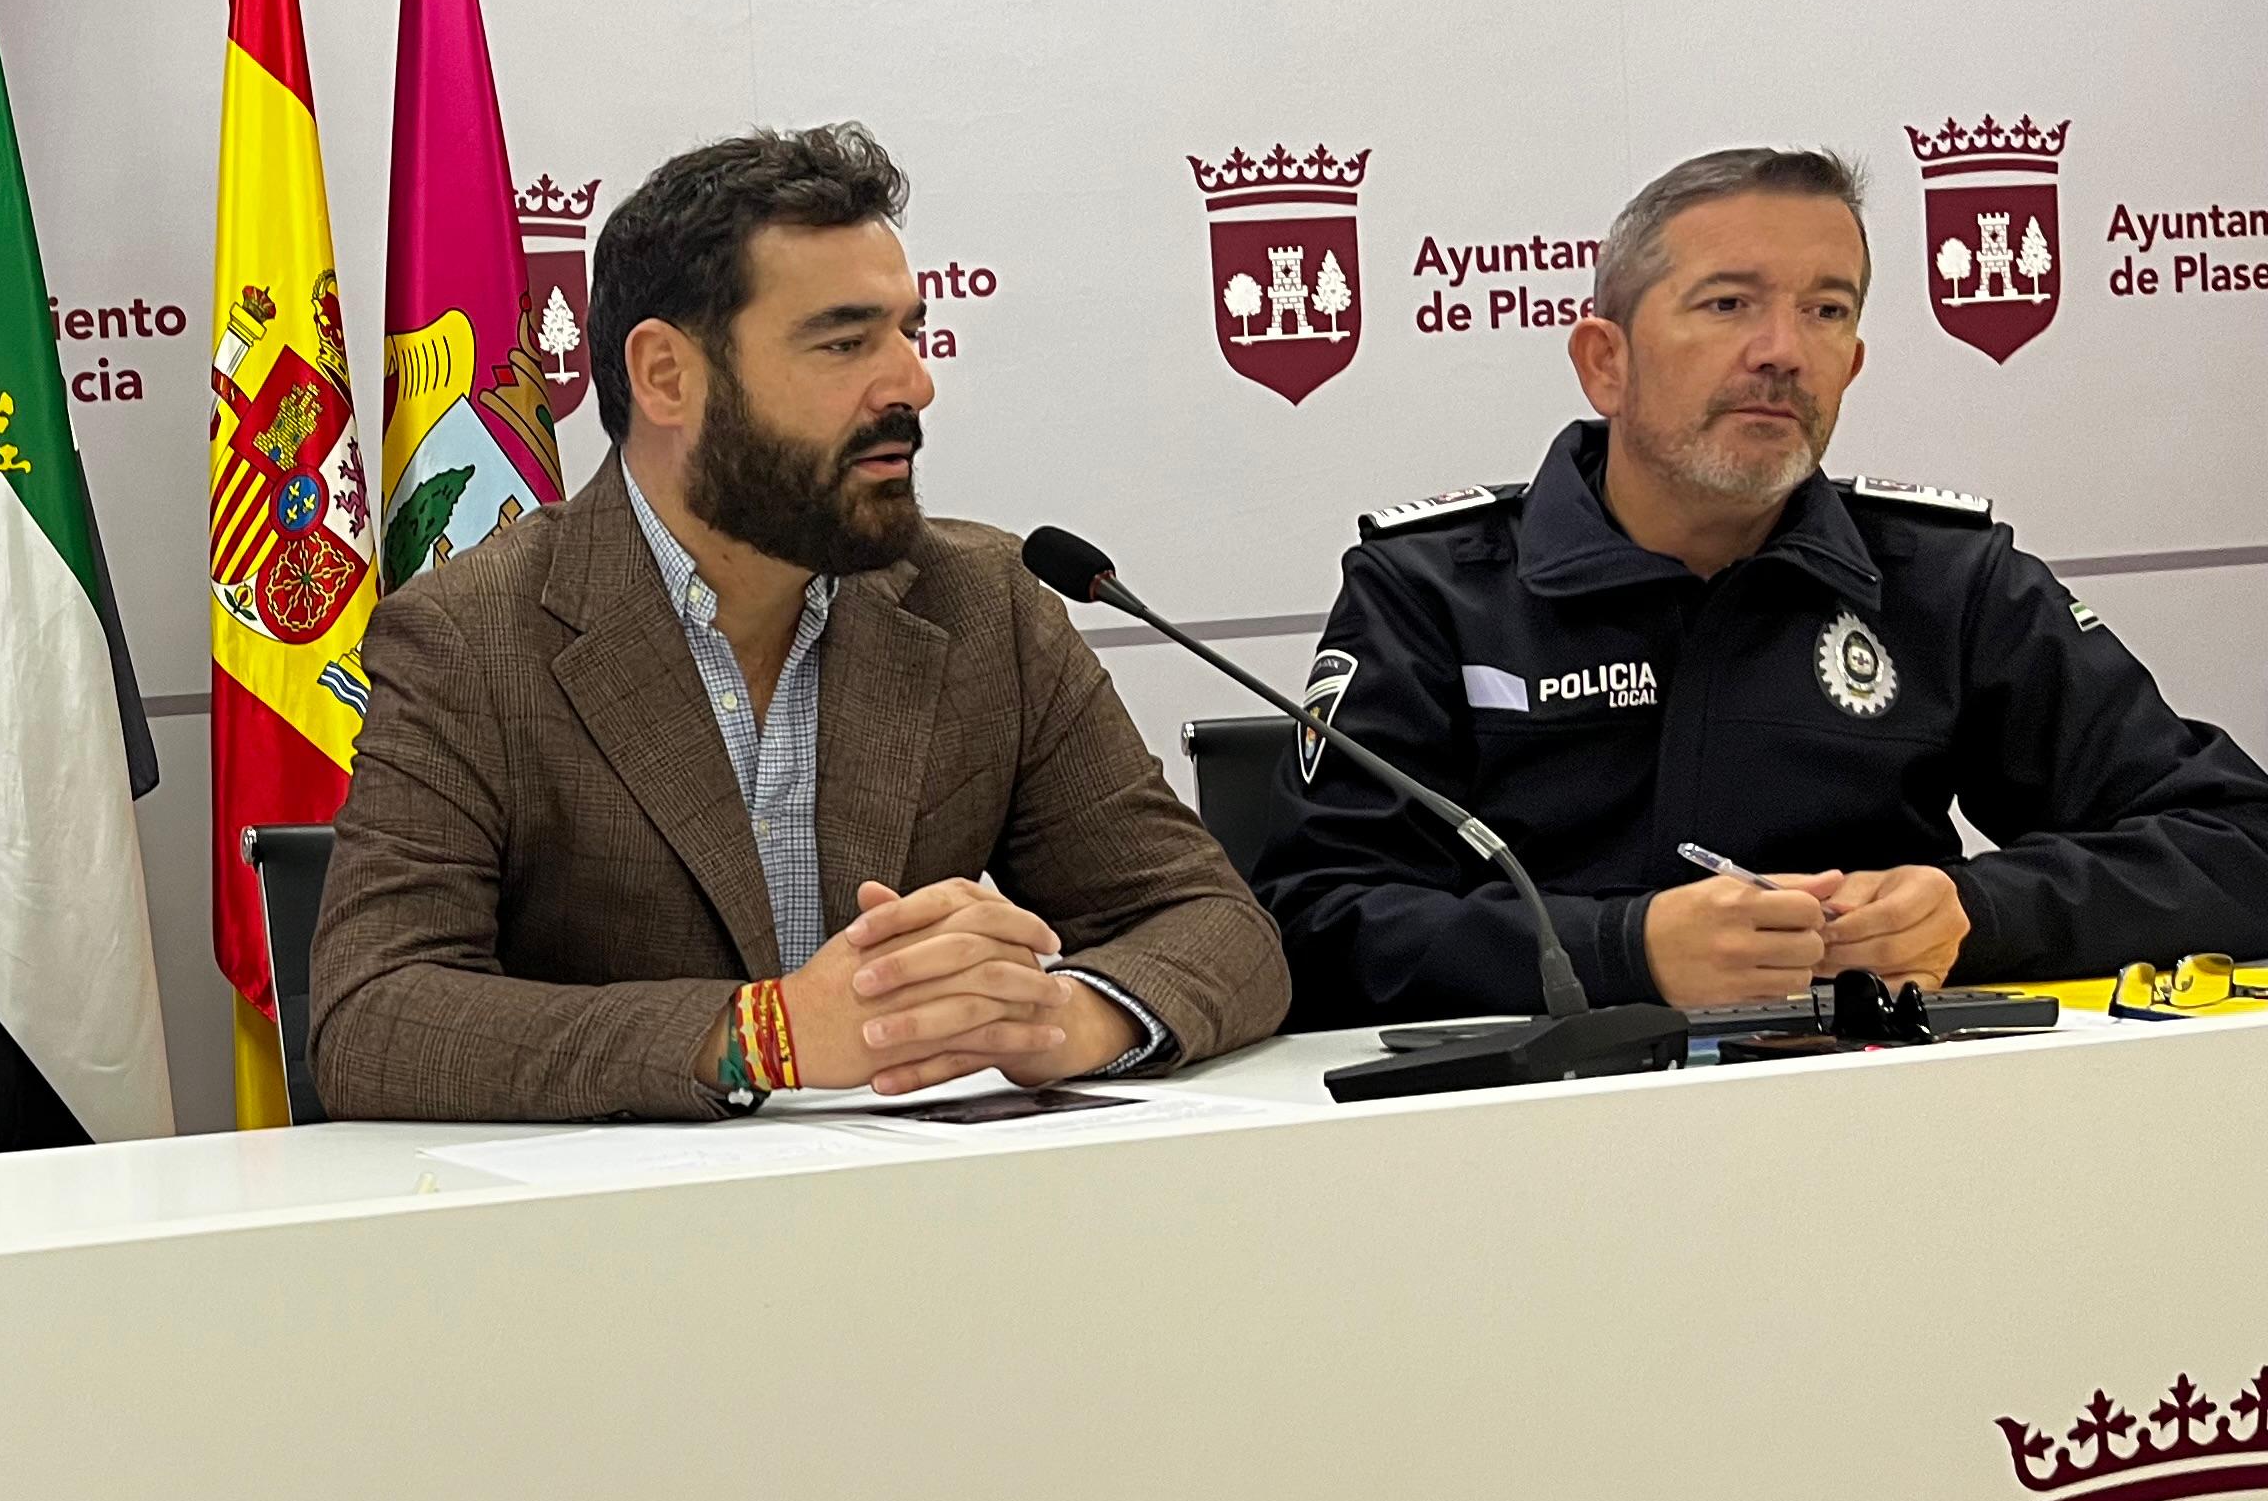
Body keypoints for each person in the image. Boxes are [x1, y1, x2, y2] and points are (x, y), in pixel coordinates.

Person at [308, 123, 1287, 1122]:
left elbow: (1211, 924)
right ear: (666, 377)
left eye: (908, 332)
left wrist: (1060, 1017)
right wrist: (757, 1036)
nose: (912, 383)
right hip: (619, 1244)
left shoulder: (981, 600)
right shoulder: (476, 637)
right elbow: (374, 1019)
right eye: (845, 342)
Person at [1254, 143, 2268, 1024]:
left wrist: (1978, 912)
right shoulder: (1436, 589)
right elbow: (1314, 926)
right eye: (1729, 304)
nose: (1782, 352)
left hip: (1886, 1124)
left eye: (1826, 311)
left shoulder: (1943, 580)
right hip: (1533, 1146)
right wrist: (1624, 951)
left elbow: (2237, 845)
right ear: (1606, 363)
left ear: (1853, 361)